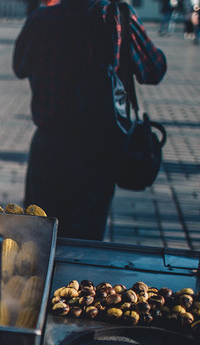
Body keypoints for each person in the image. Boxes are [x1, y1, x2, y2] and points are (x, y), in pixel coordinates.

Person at [13, 0, 166, 240]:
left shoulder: (41, 18)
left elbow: (20, 66)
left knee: (37, 238)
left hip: (48, 145)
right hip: (96, 148)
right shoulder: (115, 15)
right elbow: (153, 70)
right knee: (83, 242)